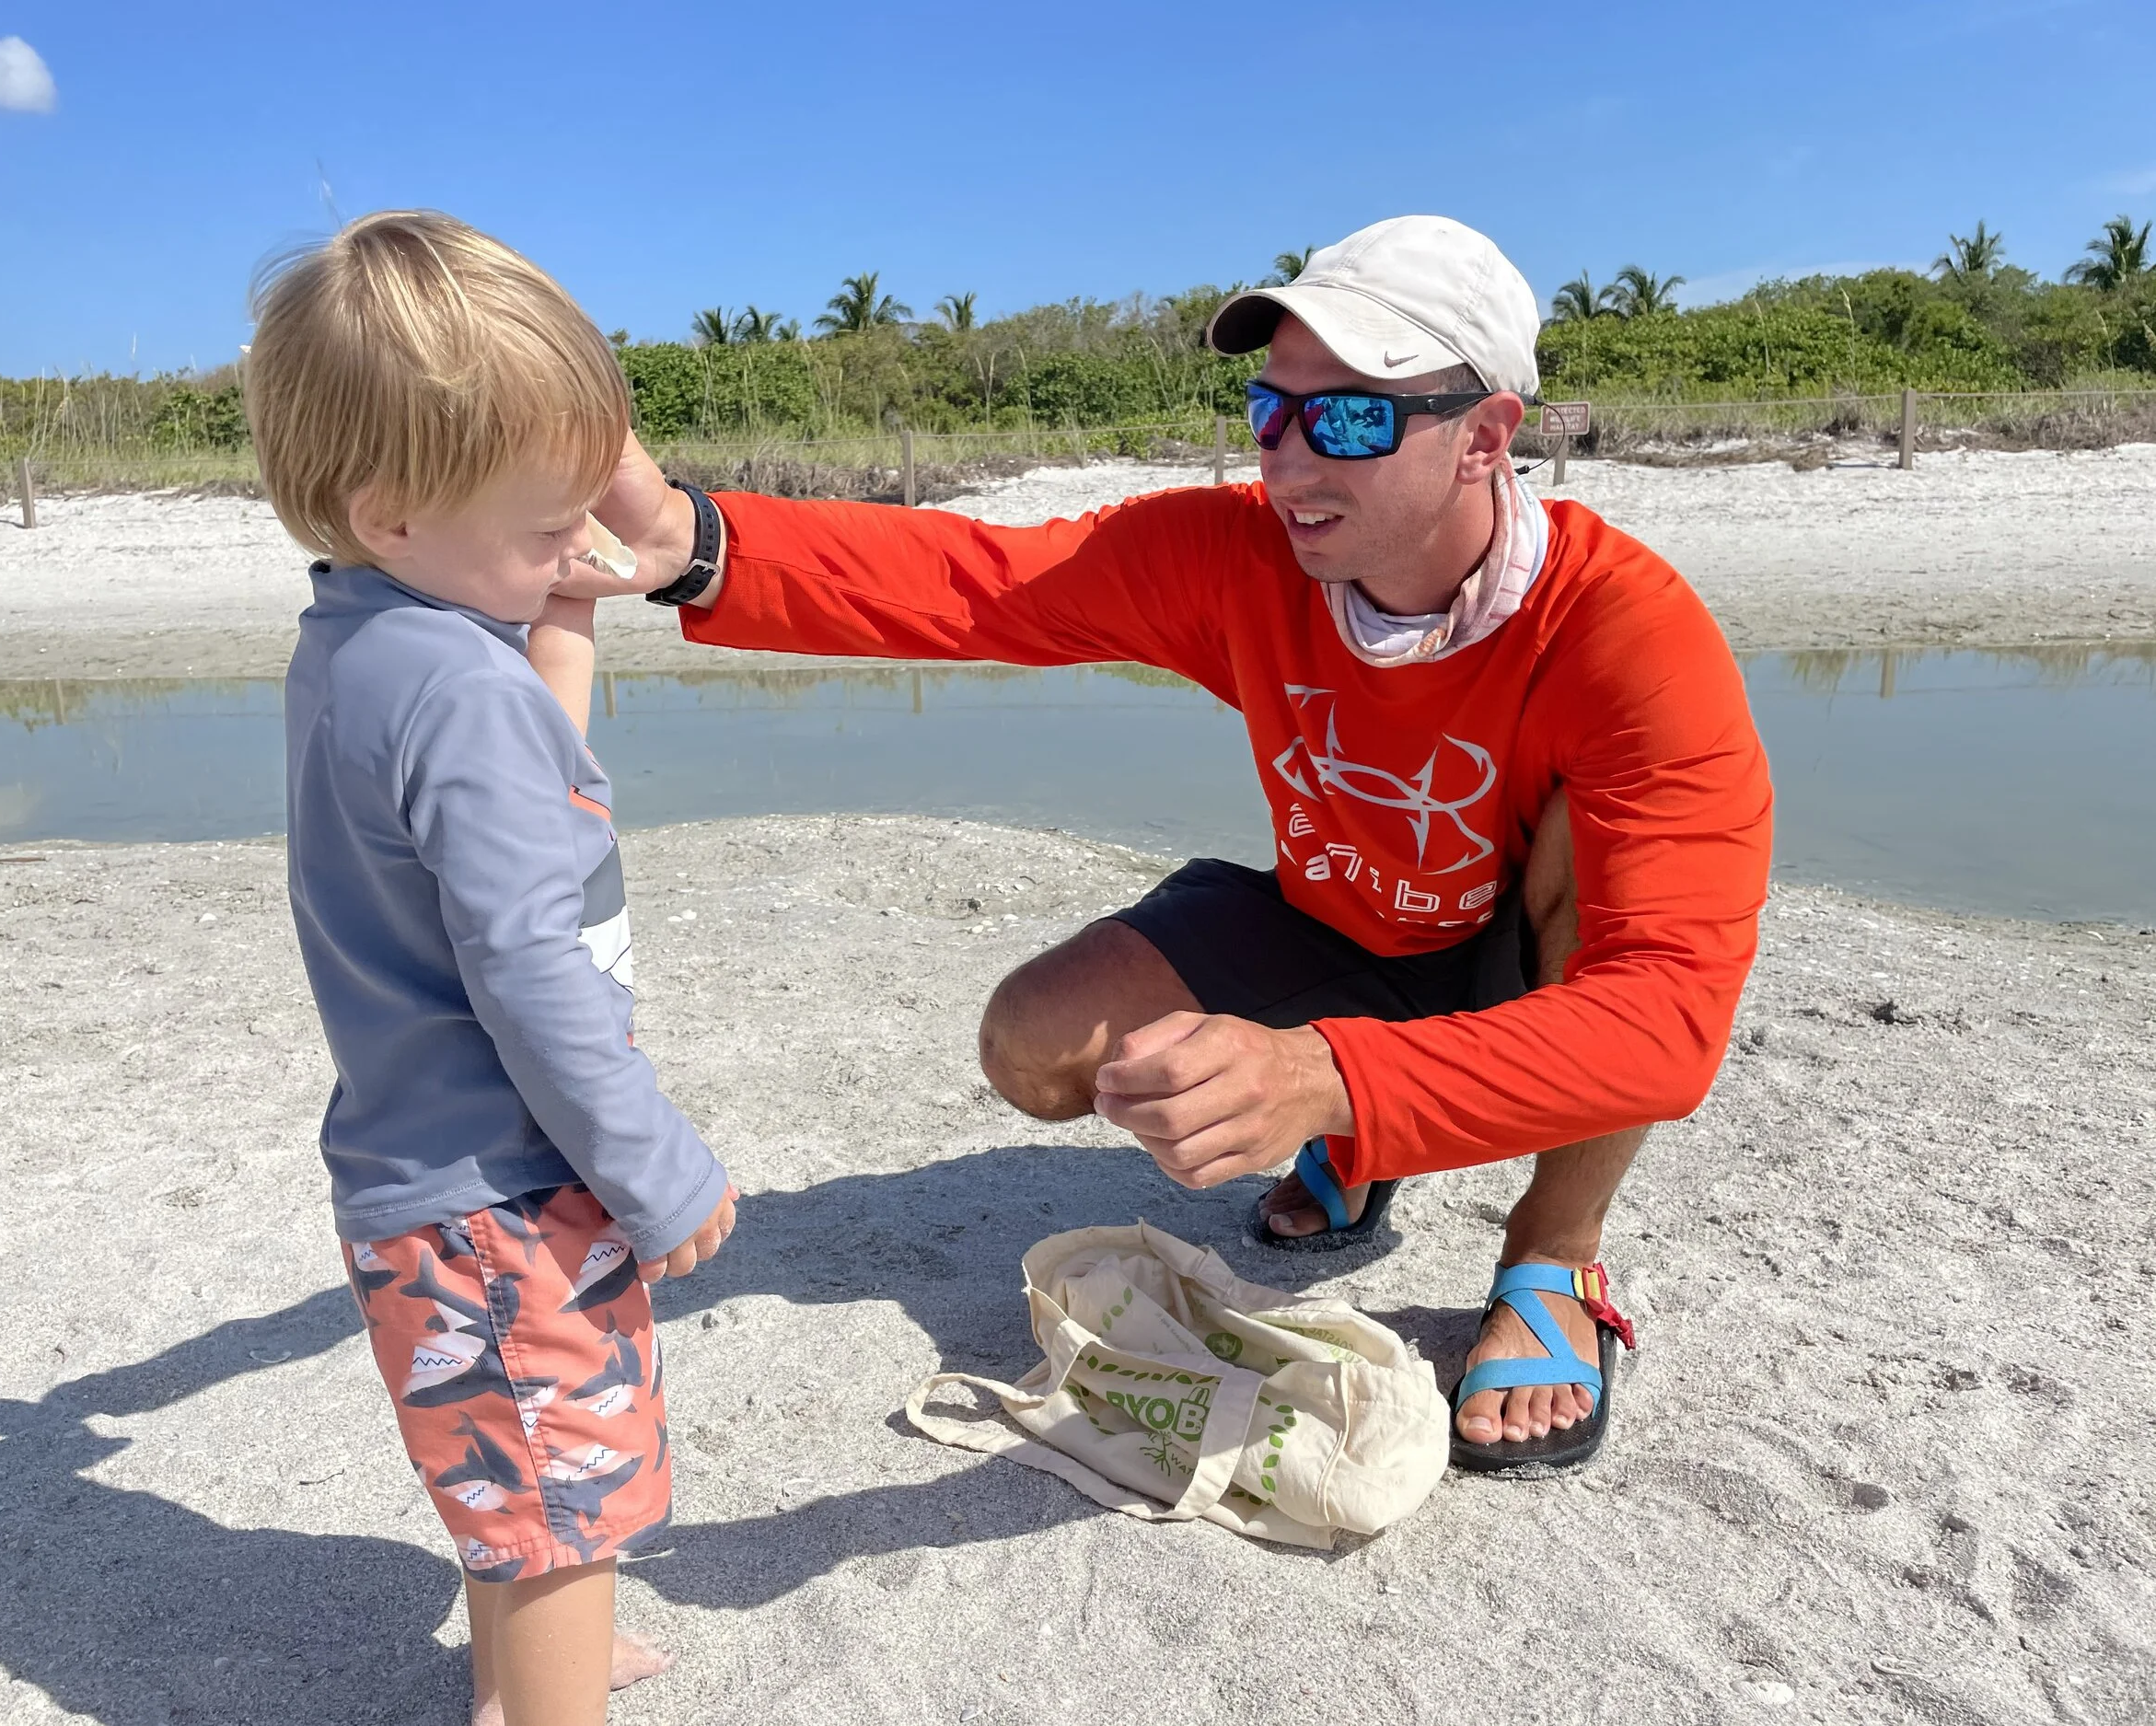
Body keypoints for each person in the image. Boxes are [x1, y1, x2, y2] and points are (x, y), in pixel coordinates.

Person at [576, 214, 1772, 1475]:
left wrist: (1327, 1077)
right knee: (1034, 1042)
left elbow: (1664, 1022)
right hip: (1344, 922)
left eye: (1351, 420)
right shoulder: (1241, 561)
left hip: (1518, 958)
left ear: (1485, 437)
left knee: (1604, 868)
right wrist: (693, 543)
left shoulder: (1627, 634)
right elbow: (986, 581)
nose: (1290, 461)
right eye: (1272, 411)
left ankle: (1551, 1249)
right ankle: (1357, 1153)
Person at [249, 210, 736, 1726]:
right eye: (543, 529)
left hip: (429, 1168)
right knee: (559, 1483)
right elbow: (527, 964)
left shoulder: (368, 636)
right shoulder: (457, 690)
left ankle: (548, 1656)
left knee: (513, 1455)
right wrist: (655, 1163)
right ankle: (546, 1693)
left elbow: (531, 788)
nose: (569, 545)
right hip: (505, 1181)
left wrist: (560, 607)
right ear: (389, 507)